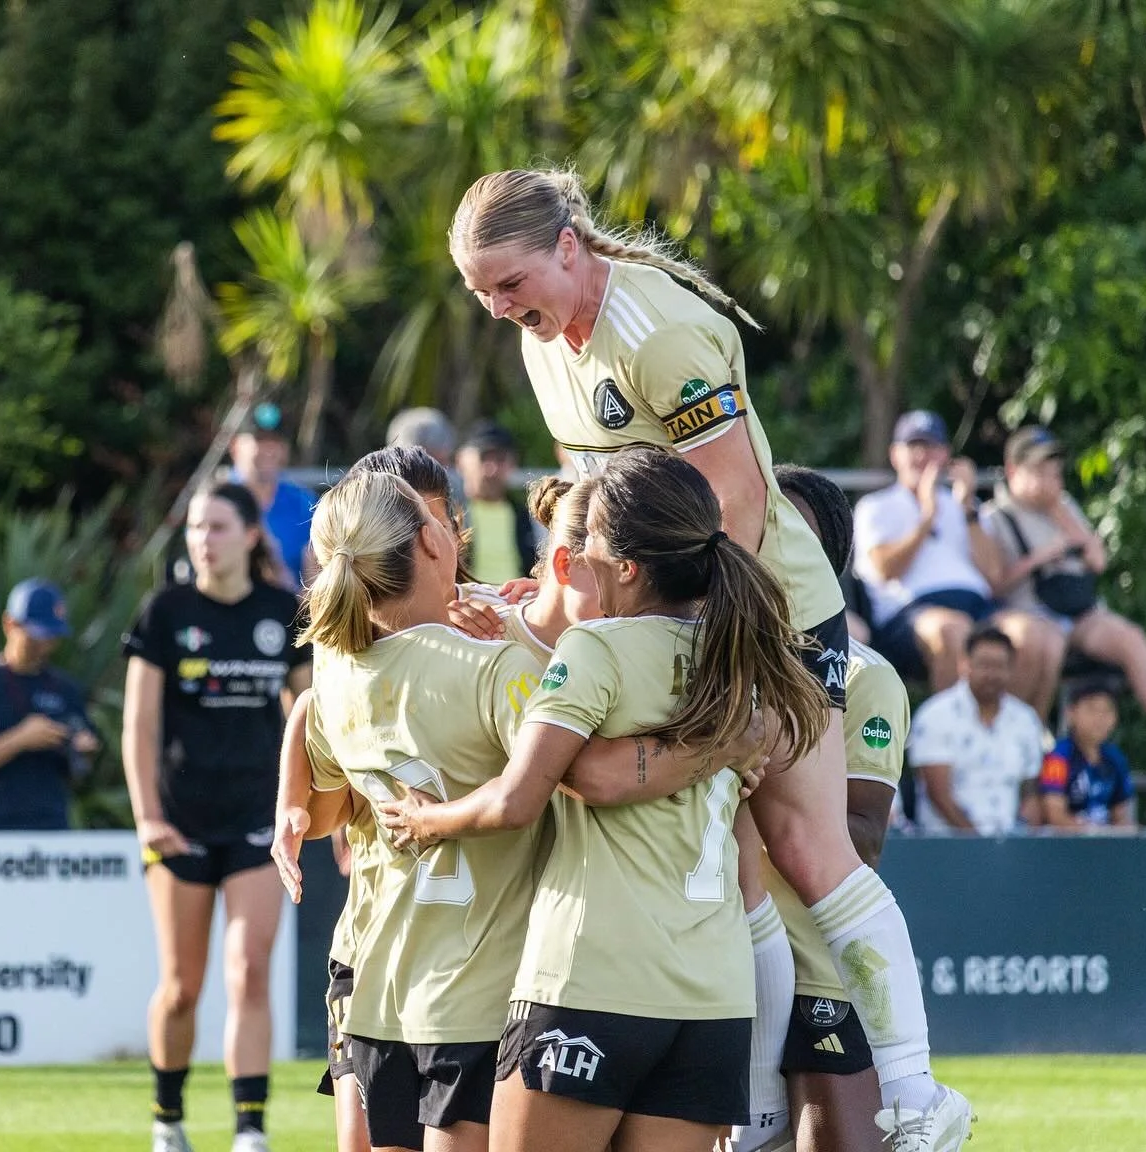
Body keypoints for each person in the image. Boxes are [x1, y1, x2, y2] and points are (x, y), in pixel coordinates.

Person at [450, 169, 971, 1148]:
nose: (498, 308)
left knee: (807, 850)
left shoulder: (659, 332)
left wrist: (670, 644)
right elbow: (595, 505)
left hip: (769, 617)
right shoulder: (544, 343)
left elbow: (732, 503)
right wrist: (544, 602)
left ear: (569, 245)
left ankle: (915, 1089)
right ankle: (763, 1116)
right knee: (741, 867)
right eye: (480, 293)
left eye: (508, 282)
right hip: (675, 614)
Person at [272, 458, 766, 1152]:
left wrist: (302, 803)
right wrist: (723, 742)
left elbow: (328, 796)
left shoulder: (342, 666)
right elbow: (580, 773)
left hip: (395, 979)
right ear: (436, 542)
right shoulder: (733, 655)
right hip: (618, 985)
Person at [382, 447, 829, 1152]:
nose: (577, 560)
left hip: (592, 977)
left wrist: (426, 819)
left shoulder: (597, 648)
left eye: (587, 545)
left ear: (626, 566)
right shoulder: (743, 652)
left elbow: (525, 798)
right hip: (711, 998)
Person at [122, 482, 312, 1152]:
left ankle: (249, 1130)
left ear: (253, 534)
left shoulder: (281, 612)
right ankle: (167, 1120)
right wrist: (147, 816)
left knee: (249, 971)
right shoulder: (165, 612)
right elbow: (139, 726)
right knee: (181, 988)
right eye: (197, 527)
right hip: (179, 821)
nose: (204, 539)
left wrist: (328, 811)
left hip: (257, 820)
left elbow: (311, 719)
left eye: (219, 526)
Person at [769, 465, 912, 1152]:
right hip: (708, 964)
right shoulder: (705, 657)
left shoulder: (862, 677)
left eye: (788, 524)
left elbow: (863, 835)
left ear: (826, 558)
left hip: (813, 971)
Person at [986, 424, 1146, 778]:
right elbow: (994, 583)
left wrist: (1058, 512)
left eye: (1054, 471)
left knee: (1130, 637)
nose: (1049, 479)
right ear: (1014, 470)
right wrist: (1042, 556)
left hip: (1077, 613)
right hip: (1028, 611)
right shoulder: (995, 517)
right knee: (1048, 643)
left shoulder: (1064, 507)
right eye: (1039, 471)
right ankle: (1028, 744)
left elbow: (1098, 560)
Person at [851, 411, 1061, 708]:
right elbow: (885, 570)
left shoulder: (965, 505)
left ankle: (1013, 743)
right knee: (952, 630)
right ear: (895, 454)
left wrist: (967, 509)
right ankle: (954, 740)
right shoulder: (876, 506)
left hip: (977, 606)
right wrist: (926, 516)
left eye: (932, 447)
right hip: (910, 612)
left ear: (946, 456)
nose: (923, 456)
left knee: (1036, 636)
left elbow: (995, 577)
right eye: (914, 446)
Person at [0, 579, 100, 831]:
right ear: (10, 624)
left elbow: (79, 768)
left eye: (52, 637)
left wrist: (81, 749)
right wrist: (20, 739)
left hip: (51, 825)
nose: (45, 646)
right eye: (36, 636)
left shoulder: (65, 688)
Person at [906, 624, 1046, 835]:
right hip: (947, 846)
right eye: (984, 665)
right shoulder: (935, 715)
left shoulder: (1025, 719)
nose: (992, 673)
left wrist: (1024, 843)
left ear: (1011, 668)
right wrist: (979, 845)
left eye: (1000, 665)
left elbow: (1030, 792)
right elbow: (938, 794)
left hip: (1010, 846)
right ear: (965, 664)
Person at [227, 401, 318, 589]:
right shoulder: (216, 500)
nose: (269, 450)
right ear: (235, 447)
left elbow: (314, 578)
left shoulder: (304, 502)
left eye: (275, 442)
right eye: (259, 441)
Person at [1039, 681, 1136, 830]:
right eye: (1091, 710)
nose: (1100, 718)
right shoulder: (1057, 758)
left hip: (1106, 844)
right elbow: (1055, 815)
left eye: (1107, 711)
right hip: (1066, 845)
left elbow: (1121, 813)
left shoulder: (1116, 758)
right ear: (1071, 713)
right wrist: (1092, 833)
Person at [456, 420, 538, 586]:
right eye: (484, 457)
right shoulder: (452, 513)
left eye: (500, 459)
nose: (492, 468)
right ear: (462, 460)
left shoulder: (527, 515)